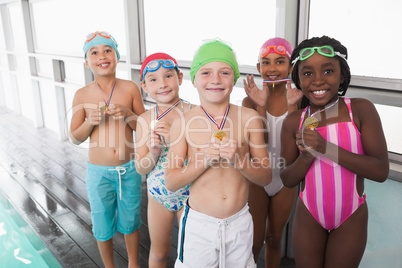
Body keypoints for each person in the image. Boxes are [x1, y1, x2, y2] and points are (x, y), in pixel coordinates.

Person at [280, 35, 389, 268]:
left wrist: (325, 148)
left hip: (351, 216)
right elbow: (287, 179)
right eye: (307, 73)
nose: (318, 80)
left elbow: (380, 171)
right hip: (309, 215)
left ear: (342, 76)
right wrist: (308, 155)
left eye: (328, 71)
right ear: (298, 79)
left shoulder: (360, 110)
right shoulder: (293, 122)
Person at [164, 39, 272, 268]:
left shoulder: (250, 118)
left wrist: (239, 160)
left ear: (234, 79)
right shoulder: (183, 122)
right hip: (199, 225)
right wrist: (203, 161)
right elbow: (171, 182)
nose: (215, 80)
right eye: (206, 73)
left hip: (239, 222)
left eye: (224, 72)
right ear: (193, 79)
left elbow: (266, 177)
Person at [69, 31, 146, 268]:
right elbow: (74, 138)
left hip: (128, 169)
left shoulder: (130, 88)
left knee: (131, 220)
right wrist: (89, 122)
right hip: (98, 172)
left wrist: (128, 115)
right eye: (94, 52)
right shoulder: (81, 95)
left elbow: (143, 128)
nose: (102, 56)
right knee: (102, 224)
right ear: (86, 61)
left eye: (107, 50)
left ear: (116, 56)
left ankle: (133, 263)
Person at [242, 37, 302, 267]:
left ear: (291, 67)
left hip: (285, 180)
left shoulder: (299, 100)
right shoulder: (248, 102)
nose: (272, 69)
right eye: (266, 63)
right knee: (254, 242)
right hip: (258, 178)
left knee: (274, 238)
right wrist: (261, 106)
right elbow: (261, 140)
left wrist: (293, 108)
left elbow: (294, 148)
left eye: (279, 62)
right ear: (258, 68)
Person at [134, 52, 192, 267]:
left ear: (180, 78)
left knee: (190, 253)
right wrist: (154, 152)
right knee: (159, 251)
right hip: (159, 193)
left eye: (168, 76)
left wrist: (175, 138)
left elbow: (204, 158)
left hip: (191, 191)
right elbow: (141, 168)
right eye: (153, 79)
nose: (162, 84)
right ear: (144, 86)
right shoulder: (144, 120)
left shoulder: (195, 113)